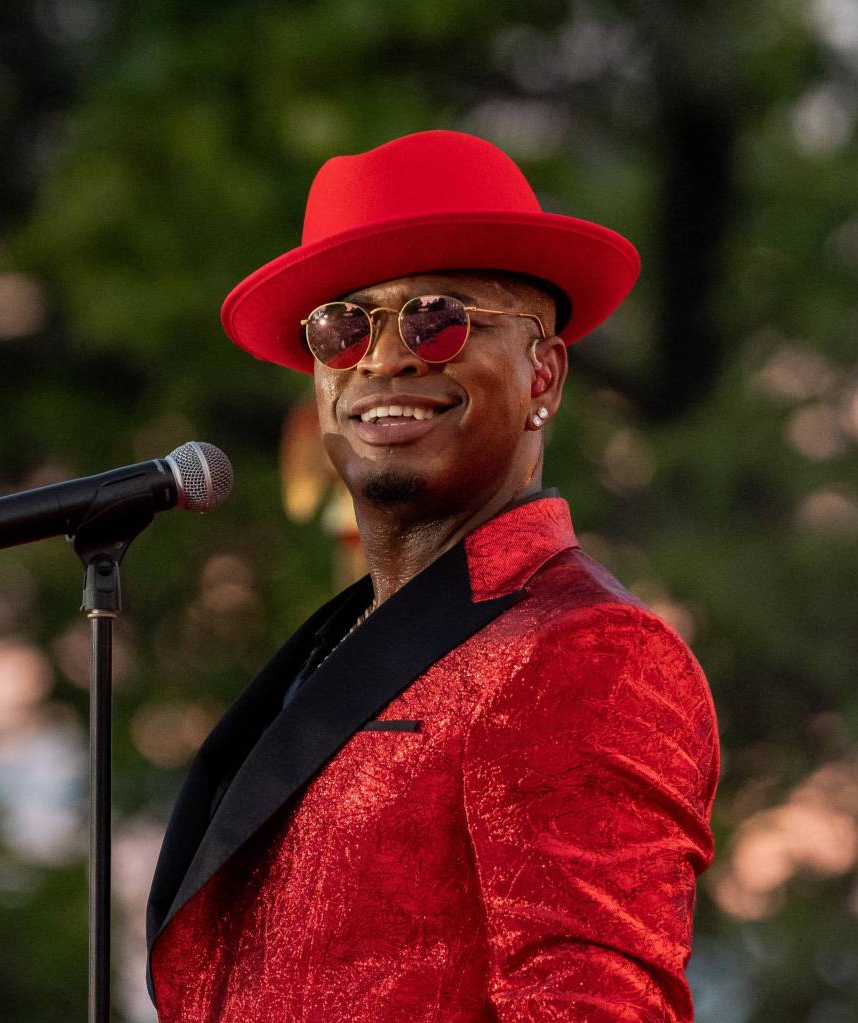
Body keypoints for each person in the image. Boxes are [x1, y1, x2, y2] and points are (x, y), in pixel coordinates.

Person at [145, 130, 720, 1023]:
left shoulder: (589, 651)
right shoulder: (339, 644)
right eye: (343, 328)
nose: (381, 358)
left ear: (545, 374)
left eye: (437, 317)